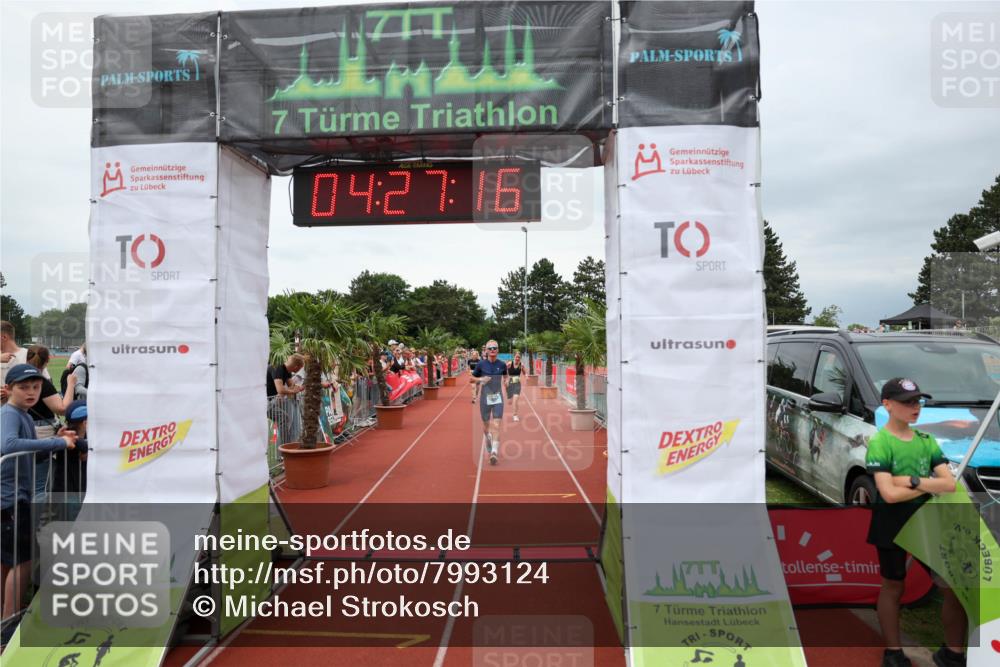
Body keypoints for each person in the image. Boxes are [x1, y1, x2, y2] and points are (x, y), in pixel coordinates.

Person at [865, 378, 966, 667]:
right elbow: (889, 494)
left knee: (952, 586)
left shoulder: (926, 441)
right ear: (887, 405)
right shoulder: (880, 442)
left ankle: (953, 653)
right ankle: (893, 652)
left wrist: (909, 480)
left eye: (917, 401)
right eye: (907, 402)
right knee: (893, 585)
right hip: (891, 523)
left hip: (927, 523)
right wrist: (928, 484)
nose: (915, 407)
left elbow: (949, 484)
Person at [1, 364, 76, 618]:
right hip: (10, 498)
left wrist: (56, 442)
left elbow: (35, 457)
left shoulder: (22, 413)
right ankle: (10, 623)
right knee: (22, 562)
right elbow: (8, 445)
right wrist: (57, 442)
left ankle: (6, 617)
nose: (31, 392)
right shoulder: (11, 413)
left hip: (14, 497)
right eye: (23, 387)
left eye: (36, 387)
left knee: (8, 561)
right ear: (9, 388)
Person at [25, 346, 66, 498]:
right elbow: (61, 409)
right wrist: (71, 384)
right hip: (42, 433)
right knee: (40, 486)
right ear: (47, 360)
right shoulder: (42, 383)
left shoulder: (17, 380)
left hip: (23, 429)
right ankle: (36, 521)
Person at [472, 340, 507, 465]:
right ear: (486, 351)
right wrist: (481, 379)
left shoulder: (502, 365)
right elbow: (472, 379)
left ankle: (494, 452)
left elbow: (506, 376)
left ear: (498, 350)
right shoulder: (481, 364)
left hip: (498, 398)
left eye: (495, 348)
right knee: (487, 426)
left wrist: (506, 382)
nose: (492, 350)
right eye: (490, 348)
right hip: (484, 398)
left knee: (496, 425)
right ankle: (487, 438)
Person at [269, 354, 304, 446]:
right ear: (296, 367)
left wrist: (297, 388)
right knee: (284, 418)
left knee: (287, 420)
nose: (299, 371)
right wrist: (293, 391)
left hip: (274, 400)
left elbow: (292, 386)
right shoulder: (278, 368)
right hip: (266, 401)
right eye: (300, 368)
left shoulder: (286, 370)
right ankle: (285, 448)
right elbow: (280, 390)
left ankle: (286, 447)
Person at [507, 351, 524, 422]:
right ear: (514, 357)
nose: (517, 358)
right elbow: (504, 372)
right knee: (510, 401)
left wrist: (526, 376)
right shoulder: (509, 363)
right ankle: (509, 398)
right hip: (510, 383)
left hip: (517, 383)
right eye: (516, 357)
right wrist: (506, 379)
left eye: (519, 357)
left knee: (516, 400)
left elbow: (524, 372)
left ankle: (515, 415)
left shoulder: (521, 365)